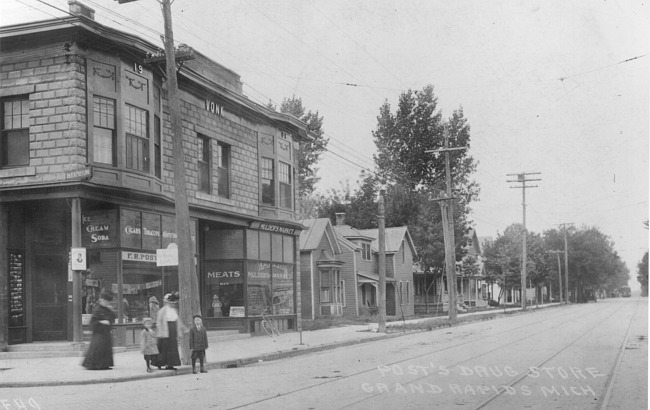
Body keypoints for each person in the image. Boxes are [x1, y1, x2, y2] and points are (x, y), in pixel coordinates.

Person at [82, 290, 116, 370]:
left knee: (106, 349)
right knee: (98, 348)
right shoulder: (97, 309)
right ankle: (94, 365)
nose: (107, 303)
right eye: (106, 301)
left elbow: (112, 318)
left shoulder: (108, 309)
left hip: (106, 333)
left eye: (108, 302)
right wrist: (102, 322)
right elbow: (92, 323)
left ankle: (104, 365)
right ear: (102, 300)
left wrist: (111, 311)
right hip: (99, 334)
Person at [155, 291, 187, 370]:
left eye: (173, 303)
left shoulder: (174, 311)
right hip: (165, 331)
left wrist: (182, 329)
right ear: (166, 302)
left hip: (173, 331)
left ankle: (170, 364)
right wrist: (160, 332)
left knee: (172, 348)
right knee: (163, 348)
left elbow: (178, 321)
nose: (172, 304)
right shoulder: (162, 311)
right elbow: (158, 322)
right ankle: (159, 363)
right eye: (170, 302)